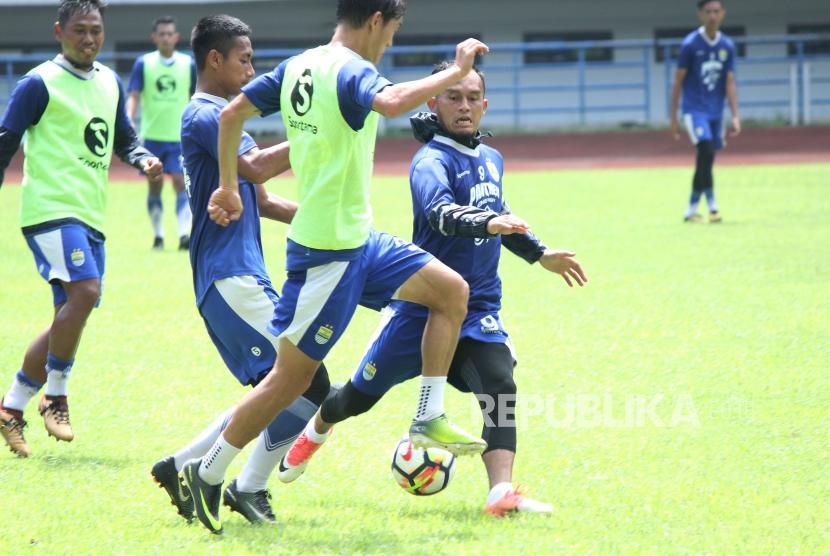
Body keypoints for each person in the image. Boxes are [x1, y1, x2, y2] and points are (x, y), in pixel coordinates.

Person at [185, 0, 495, 534]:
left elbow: (234, 113)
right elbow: (394, 102)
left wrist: (231, 187)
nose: (391, 42)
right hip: (327, 255)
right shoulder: (352, 68)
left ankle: (427, 415)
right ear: (376, 20)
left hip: (359, 241)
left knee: (450, 291)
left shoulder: (300, 64)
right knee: (291, 381)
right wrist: (457, 69)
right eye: (393, 30)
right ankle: (206, 472)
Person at [277, 62, 587, 517]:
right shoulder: (430, 161)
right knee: (355, 399)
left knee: (500, 386)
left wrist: (540, 254)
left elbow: (499, 210)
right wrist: (488, 221)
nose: (463, 107)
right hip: (423, 310)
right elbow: (442, 212)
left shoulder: (491, 159)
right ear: (433, 102)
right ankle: (316, 431)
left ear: (485, 104)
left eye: (471, 98)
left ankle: (500, 493)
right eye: (453, 97)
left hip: (479, 306)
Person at [150, 15, 331, 528]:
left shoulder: (223, 118)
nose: (252, 69)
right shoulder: (209, 114)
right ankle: (240, 485)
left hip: (238, 276)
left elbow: (264, 200)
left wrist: (342, 228)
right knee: (306, 382)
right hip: (229, 278)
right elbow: (255, 170)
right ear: (215, 60)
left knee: (289, 383)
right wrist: (322, 132)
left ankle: (184, 465)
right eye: (245, 59)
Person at [0, 0, 161, 457]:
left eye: (95, 30)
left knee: (69, 315)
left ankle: (11, 407)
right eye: (79, 31)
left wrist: (142, 159)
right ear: (59, 32)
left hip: (90, 212)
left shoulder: (109, 81)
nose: (88, 39)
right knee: (85, 293)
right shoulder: (39, 83)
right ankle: (57, 396)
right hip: (49, 209)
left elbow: (123, 139)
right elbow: (5, 141)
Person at [126, 15, 196, 250]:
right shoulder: (143, 63)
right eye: (162, 34)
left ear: (176, 37)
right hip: (152, 137)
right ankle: (158, 235)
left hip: (178, 137)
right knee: (155, 185)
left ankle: (184, 234)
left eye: (170, 34)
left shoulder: (188, 64)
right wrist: (129, 121)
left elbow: (196, 96)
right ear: (154, 37)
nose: (166, 38)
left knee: (179, 182)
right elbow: (134, 95)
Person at [670, 0, 740, 223]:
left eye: (716, 11)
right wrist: (673, 117)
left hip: (715, 112)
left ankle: (692, 209)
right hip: (694, 110)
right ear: (700, 15)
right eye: (708, 11)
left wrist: (735, 115)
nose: (712, 16)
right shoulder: (690, 44)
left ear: (723, 14)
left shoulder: (727, 46)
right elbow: (678, 81)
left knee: (706, 158)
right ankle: (712, 206)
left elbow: (730, 82)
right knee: (706, 150)